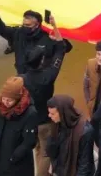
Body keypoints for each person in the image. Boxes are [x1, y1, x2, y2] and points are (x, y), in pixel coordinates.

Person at [21, 16, 66, 176]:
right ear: (41, 61)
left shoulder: (21, 79)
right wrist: (54, 26)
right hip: (45, 120)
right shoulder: (48, 77)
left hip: (29, 121)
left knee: (38, 149)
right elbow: (61, 50)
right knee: (46, 152)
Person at [0, 77, 38, 176]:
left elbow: (29, 141)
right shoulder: (0, 106)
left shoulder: (29, 113)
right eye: (4, 98)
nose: (5, 102)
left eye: (10, 100)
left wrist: (14, 157)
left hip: (17, 165)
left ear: (18, 98)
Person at [0, 6, 59, 75]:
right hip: (21, 72)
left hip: (38, 76)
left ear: (37, 25)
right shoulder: (18, 32)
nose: (25, 27)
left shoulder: (46, 37)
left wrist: (55, 32)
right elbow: (1, 29)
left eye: (28, 25)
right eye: (24, 24)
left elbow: (61, 49)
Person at [46, 95, 95, 176]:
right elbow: (51, 152)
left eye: (52, 113)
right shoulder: (58, 124)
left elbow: (85, 163)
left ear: (63, 113)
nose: (49, 115)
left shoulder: (85, 131)